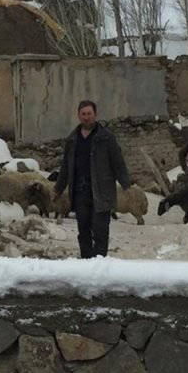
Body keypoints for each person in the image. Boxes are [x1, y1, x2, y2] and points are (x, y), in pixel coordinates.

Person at [53, 100, 130, 258]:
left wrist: (126, 185)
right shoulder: (72, 139)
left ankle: (99, 263)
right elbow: (66, 167)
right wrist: (58, 189)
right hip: (80, 192)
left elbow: (118, 163)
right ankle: (87, 263)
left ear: (95, 115)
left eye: (89, 114)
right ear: (79, 116)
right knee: (83, 229)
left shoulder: (106, 138)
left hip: (101, 191)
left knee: (100, 229)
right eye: (83, 114)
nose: (86, 117)